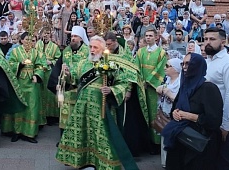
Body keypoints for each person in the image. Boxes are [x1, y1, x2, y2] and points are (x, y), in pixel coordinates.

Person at [55, 36, 140, 169]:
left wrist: (111, 89)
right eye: (90, 47)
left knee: (100, 136)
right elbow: (74, 80)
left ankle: (102, 163)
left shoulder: (111, 64)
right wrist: (67, 74)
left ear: (103, 49)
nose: (92, 50)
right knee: (83, 134)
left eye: (96, 47)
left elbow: (123, 82)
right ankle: (84, 161)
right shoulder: (83, 63)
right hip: (82, 106)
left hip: (101, 106)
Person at [162, 53, 223, 170]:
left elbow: (214, 121)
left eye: (188, 64)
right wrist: (175, 113)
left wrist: (190, 116)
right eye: (183, 64)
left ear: (198, 66)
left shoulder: (209, 88)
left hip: (198, 144)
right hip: (179, 139)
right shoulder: (185, 87)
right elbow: (175, 109)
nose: (184, 67)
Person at [204, 27, 229, 169]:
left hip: (223, 121)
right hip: (208, 119)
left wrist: (225, 125)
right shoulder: (207, 62)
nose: (207, 42)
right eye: (206, 39)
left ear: (223, 41)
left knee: (225, 162)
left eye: (212, 39)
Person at [1, 32, 45, 143]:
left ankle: (29, 133)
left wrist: (37, 74)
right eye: (26, 39)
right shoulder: (15, 51)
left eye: (31, 40)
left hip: (31, 83)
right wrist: (19, 64)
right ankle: (17, 131)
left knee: (31, 106)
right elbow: (9, 63)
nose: (28, 42)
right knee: (18, 105)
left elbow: (41, 65)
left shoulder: (36, 53)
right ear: (21, 40)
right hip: (18, 82)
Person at [48, 26, 90, 141]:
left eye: (75, 36)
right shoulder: (66, 51)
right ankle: (63, 140)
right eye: (72, 36)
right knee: (65, 117)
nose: (73, 38)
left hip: (80, 90)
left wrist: (72, 75)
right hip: (66, 90)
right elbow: (57, 67)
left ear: (81, 38)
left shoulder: (88, 51)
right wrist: (56, 83)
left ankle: (77, 141)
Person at [135, 28, 167, 153]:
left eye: (150, 36)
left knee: (154, 113)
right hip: (141, 87)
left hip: (154, 88)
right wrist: (141, 81)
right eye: (146, 36)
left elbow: (160, 68)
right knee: (144, 113)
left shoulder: (161, 52)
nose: (148, 38)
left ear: (156, 37)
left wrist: (148, 81)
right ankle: (145, 142)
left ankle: (156, 143)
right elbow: (136, 67)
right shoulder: (140, 52)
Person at [155, 58, 181, 167]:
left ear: (175, 68)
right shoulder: (167, 80)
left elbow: (180, 100)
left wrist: (169, 94)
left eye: (168, 66)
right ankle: (165, 162)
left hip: (174, 115)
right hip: (164, 113)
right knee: (164, 138)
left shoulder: (181, 82)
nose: (165, 68)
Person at [35, 27, 61, 126]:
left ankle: (51, 116)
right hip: (40, 70)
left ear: (50, 35)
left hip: (50, 72)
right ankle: (42, 114)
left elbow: (58, 58)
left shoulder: (54, 47)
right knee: (40, 92)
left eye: (47, 33)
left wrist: (51, 62)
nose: (45, 35)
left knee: (49, 93)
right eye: (44, 33)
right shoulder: (38, 44)